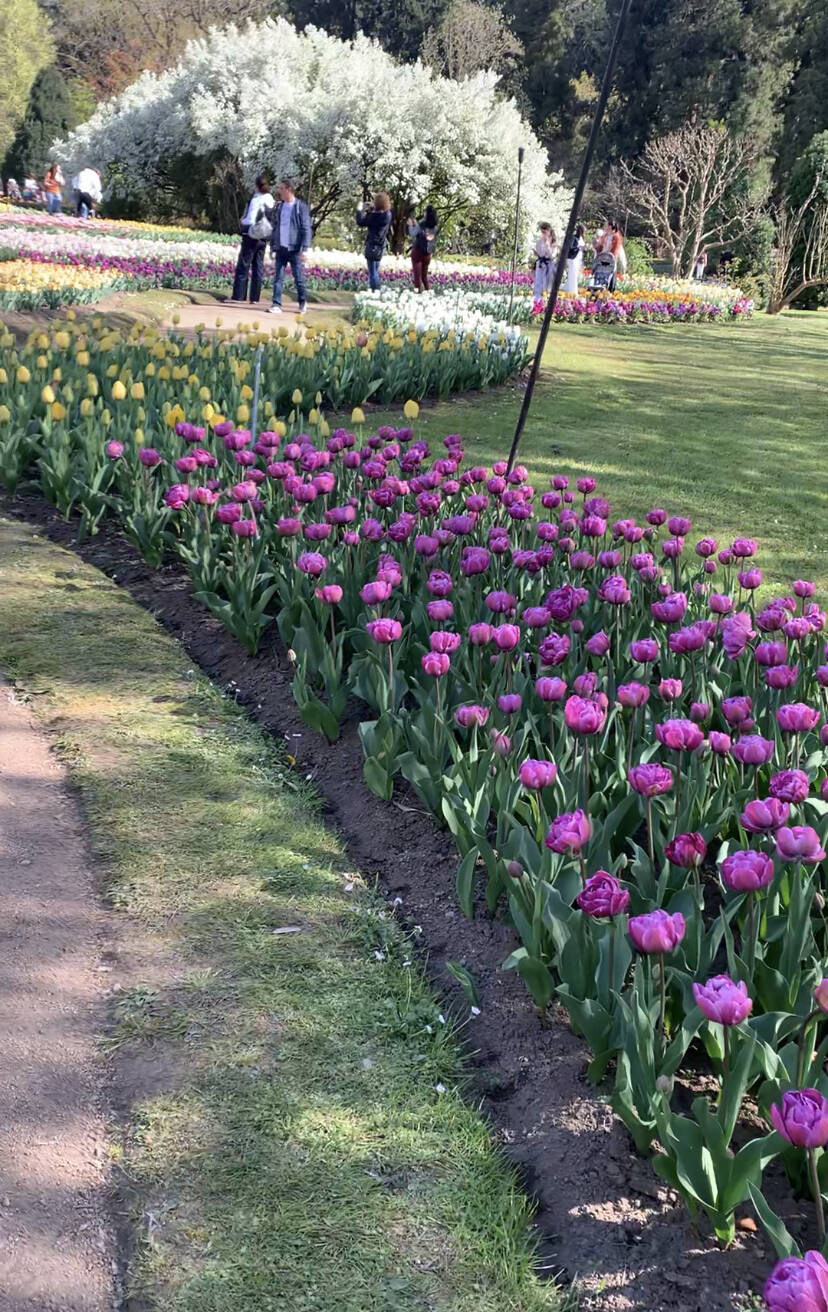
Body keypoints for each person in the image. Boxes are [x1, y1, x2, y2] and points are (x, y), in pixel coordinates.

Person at [268, 178, 312, 315]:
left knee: (298, 278)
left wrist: (305, 249)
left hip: (294, 249)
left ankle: (302, 302)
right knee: (278, 278)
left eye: (282, 189)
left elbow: (306, 228)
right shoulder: (279, 207)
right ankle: (276, 304)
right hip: (281, 247)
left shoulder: (300, 207)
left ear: (289, 190)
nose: (279, 191)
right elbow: (276, 227)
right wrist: (273, 245)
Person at [231, 175, 274, 304]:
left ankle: (239, 296)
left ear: (256, 186)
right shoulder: (270, 199)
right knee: (258, 266)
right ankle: (255, 297)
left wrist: (242, 221)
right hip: (264, 236)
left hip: (252, 235)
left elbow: (250, 219)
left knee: (244, 264)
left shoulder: (256, 199)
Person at [356, 192, 393, 291]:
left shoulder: (374, 217)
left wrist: (360, 209)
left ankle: (375, 292)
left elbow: (360, 221)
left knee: (373, 272)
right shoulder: (388, 215)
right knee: (375, 270)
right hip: (381, 245)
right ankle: (376, 291)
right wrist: (373, 208)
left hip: (372, 244)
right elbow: (379, 213)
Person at [408, 204, 438, 292]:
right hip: (427, 253)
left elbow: (413, 233)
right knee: (424, 277)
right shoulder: (435, 226)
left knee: (417, 278)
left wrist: (411, 225)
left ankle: (417, 294)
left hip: (418, 252)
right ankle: (428, 293)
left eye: (425, 211)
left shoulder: (422, 223)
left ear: (427, 213)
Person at [532, 222, 557, 302]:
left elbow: (552, 255)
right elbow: (540, 253)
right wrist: (541, 247)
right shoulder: (540, 241)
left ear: (549, 231)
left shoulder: (553, 241)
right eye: (542, 232)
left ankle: (547, 300)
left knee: (549, 283)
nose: (543, 234)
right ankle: (537, 300)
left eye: (544, 232)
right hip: (541, 263)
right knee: (538, 282)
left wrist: (547, 245)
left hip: (549, 264)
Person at [565, 223, 586, 294]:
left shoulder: (581, 238)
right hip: (573, 258)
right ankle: (572, 291)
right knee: (572, 274)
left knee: (576, 275)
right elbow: (570, 247)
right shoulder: (574, 238)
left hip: (579, 258)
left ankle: (573, 290)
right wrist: (578, 247)